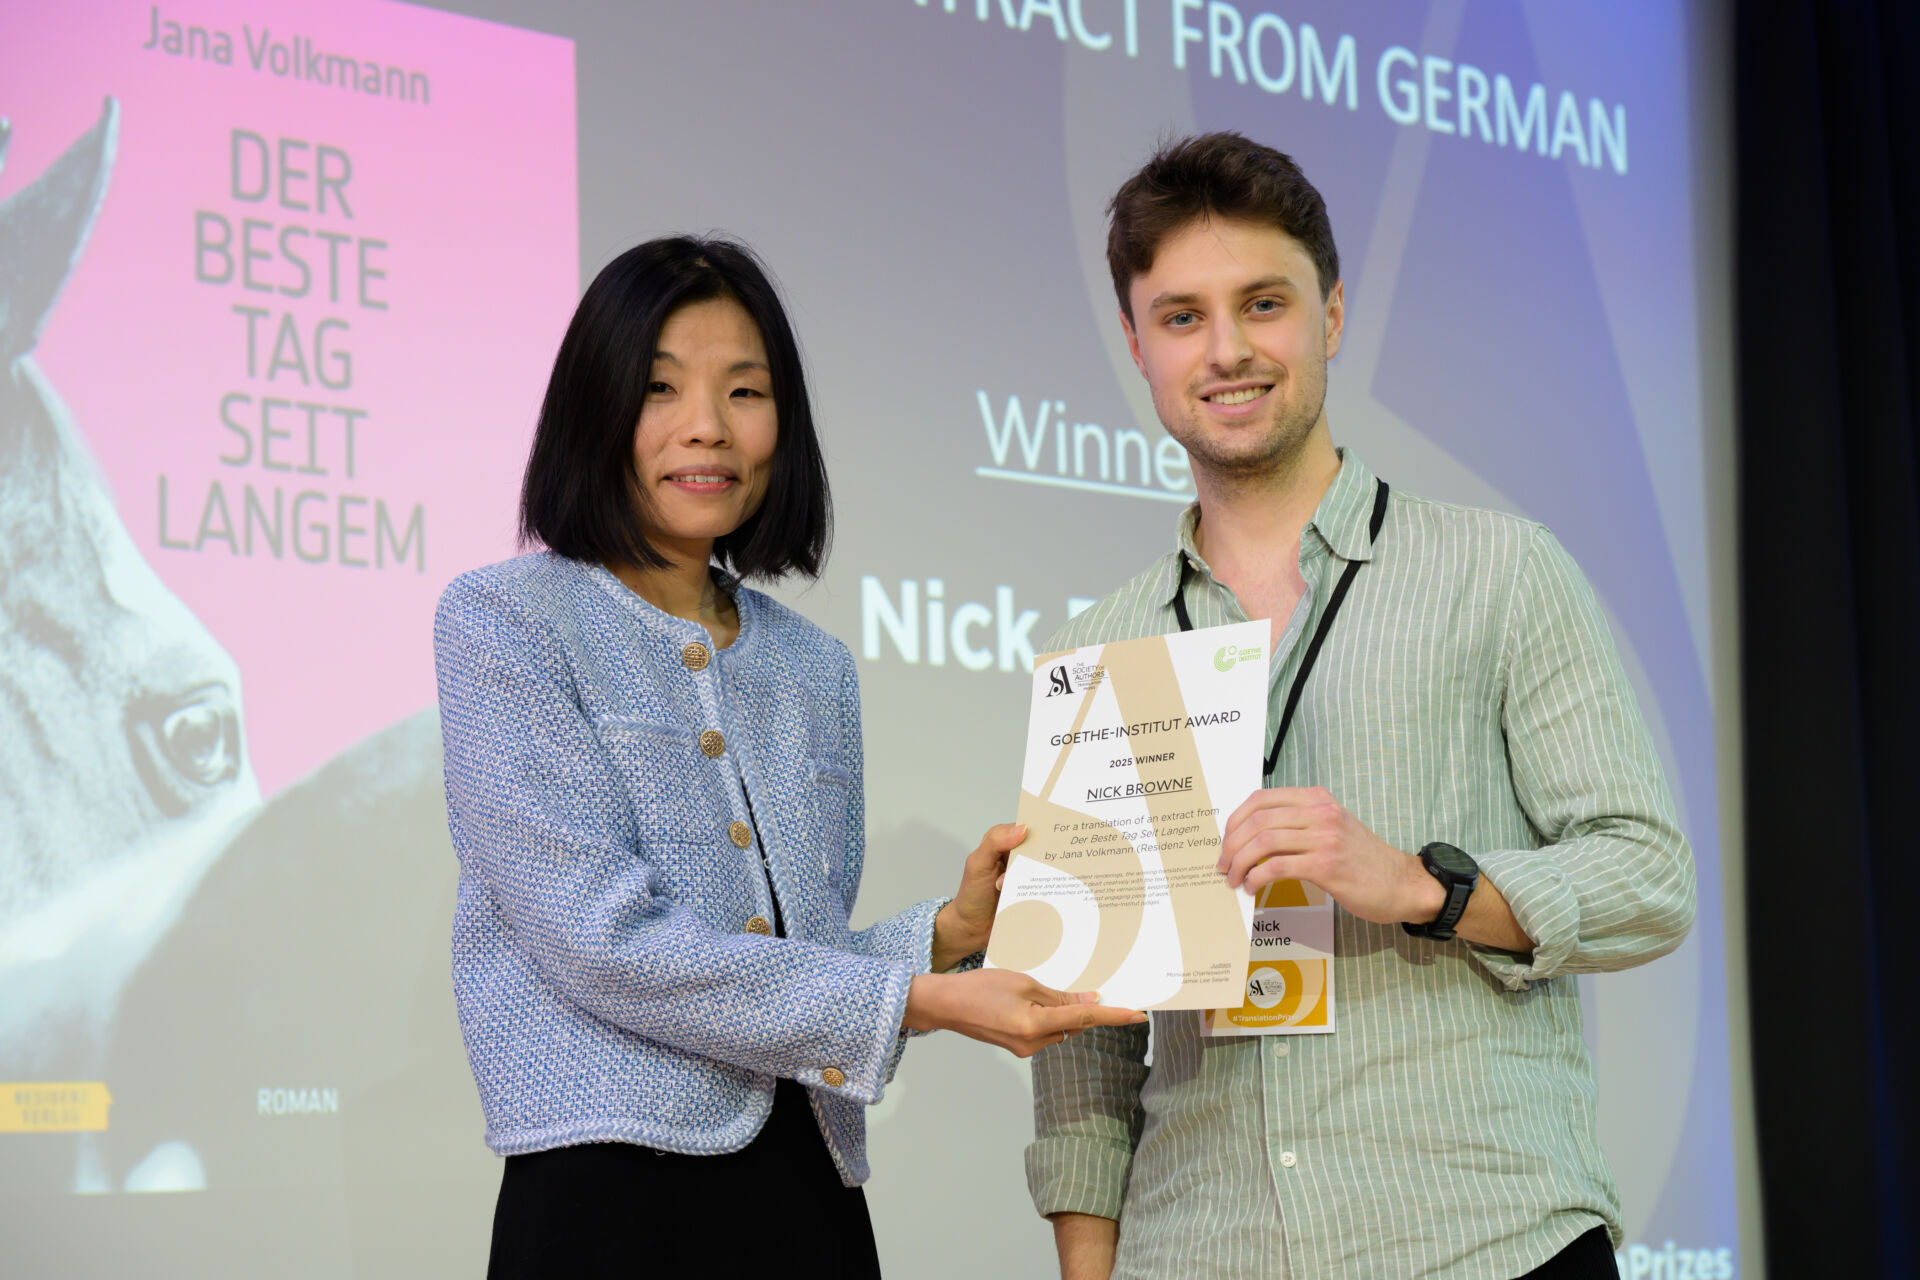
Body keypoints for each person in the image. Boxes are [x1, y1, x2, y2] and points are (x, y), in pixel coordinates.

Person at [1027, 134, 1696, 1279]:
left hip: (1482, 1239)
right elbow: (1085, 1045)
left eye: (1264, 303)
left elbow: (1649, 877)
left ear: (1331, 315)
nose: (1228, 349)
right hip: (1205, 1251)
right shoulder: (1101, 652)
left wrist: (1428, 886)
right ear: (1136, 345)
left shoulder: (1500, 571)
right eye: (1182, 316)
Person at [433, 236, 1143, 1279]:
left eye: (745, 390)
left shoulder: (816, 668)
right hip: (606, 1201)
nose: (707, 426)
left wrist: (950, 934)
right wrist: (917, 1001)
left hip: (811, 1190)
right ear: (594, 408)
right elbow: (600, 940)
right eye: (660, 388)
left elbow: (804, 953)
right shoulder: (506, 621)